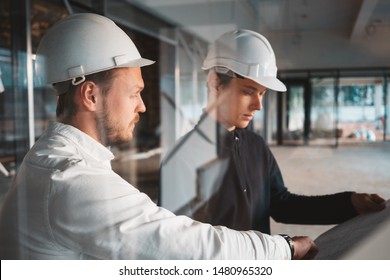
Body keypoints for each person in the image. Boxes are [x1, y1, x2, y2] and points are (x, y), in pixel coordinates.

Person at [0, 14, 317, 260]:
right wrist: (284, 249)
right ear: (91, 96)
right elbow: (187, 245)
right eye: (135, 93)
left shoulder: (55, 159)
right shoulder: (69, 179)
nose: (143, 105)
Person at [160, 30, 386, 235]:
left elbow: (282, 206)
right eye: (249, 92)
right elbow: (182, 245)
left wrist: (348, 203)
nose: (258, 105)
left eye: (262, 93)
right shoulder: (182, 159)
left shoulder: (256, 146)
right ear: (216, 84)